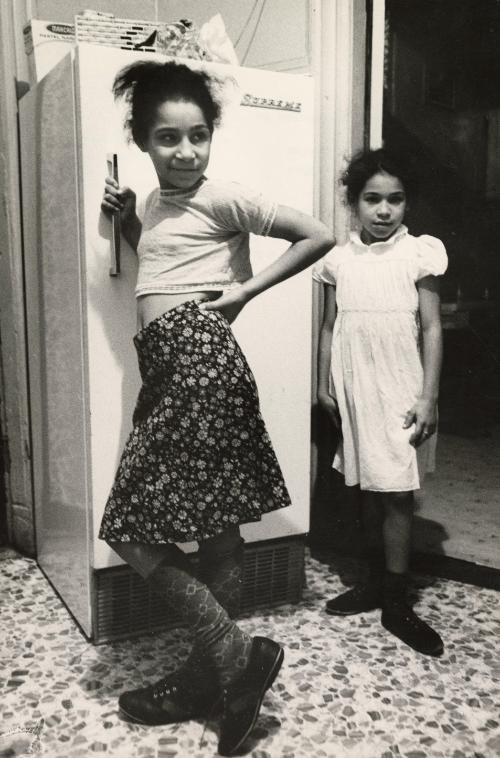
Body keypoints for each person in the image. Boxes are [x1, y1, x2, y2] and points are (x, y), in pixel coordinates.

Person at [98, 59, 334, 755]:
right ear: (142, 140)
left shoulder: (222, 193)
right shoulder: (157, 204)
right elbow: (168, 264)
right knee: (216, 530)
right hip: (176, 372)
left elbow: (317, 232)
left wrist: (247, 291)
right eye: (168, 138)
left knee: (129, 527)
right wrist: (129, 227)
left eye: (198, 135)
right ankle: (218, 674)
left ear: (212, 137)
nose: (187, 151)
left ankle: (233, 661)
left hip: (200, 366)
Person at [314, 148, 447, 657]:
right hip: (353, 385)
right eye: (373, 199)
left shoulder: (419, 253)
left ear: (407, 203)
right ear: (354, 203)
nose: (384, 210)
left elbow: (432, 328)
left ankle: (397, 599)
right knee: (368, 484)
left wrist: (428, 394)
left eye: (395, 199)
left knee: (395, 490)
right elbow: (330, 325)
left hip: (398, 384)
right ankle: (373, 582)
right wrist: (325, 384)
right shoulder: (338, 259)